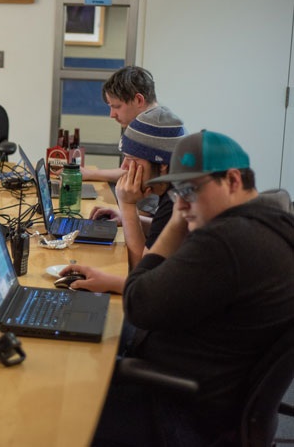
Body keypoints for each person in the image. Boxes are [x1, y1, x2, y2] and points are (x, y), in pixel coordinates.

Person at [92, 130, 294, 445]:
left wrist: (175, 223)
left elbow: (138, 300)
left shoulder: (225, 241)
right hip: (214, 391)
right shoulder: (275, 217)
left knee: (65, 390)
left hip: (178, 408)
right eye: (177, 191)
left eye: (191, 189)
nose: (182, 203)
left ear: (233, 181)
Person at [61, 108, 186, 291]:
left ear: (163, 165)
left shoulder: (178, 201)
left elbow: (141, 277)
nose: (124, 167)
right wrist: (128, 217)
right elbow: (165, 232)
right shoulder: (176, 186)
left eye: (131, 159)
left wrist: (127, 206)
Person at [81, 66, 171, 183]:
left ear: (138, 100)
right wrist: (88, 173)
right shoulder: (147, 124)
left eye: (116, 107)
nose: (112, 114)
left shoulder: (158, 131)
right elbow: (129, 172)